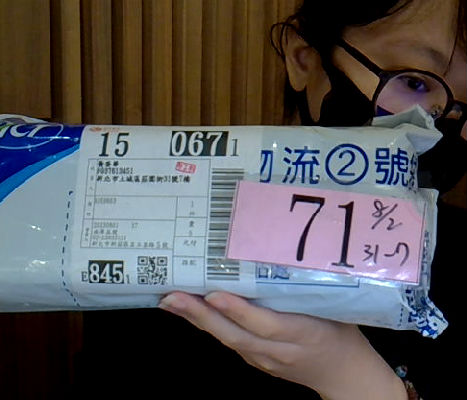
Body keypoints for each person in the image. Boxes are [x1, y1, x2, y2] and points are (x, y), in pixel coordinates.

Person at [157, 1, 467, 399]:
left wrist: (360, 383)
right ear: (304, 58)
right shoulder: (169, 240)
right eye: (415, 83)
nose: (438, 126)